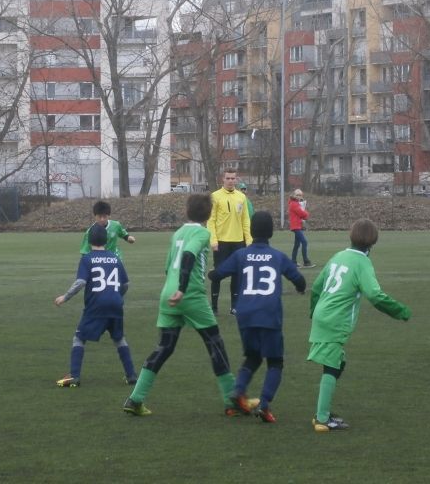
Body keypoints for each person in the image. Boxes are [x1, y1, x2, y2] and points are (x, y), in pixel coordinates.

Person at [123, 194, 239, 417]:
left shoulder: (177, 233)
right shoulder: (202, 233)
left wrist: (175, 289)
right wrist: (183, 289)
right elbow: (188, 255)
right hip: (190, 295)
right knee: (215, 345)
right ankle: (230, 400)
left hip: (168, 294)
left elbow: (168, 267)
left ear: (187, 212)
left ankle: (135, 399)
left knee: (164, 347)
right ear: (209, 215)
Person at [308, 218, 411, 432]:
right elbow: (375, 295)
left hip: (323, 314)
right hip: (335, 319)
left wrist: (314, 313)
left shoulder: (339, 256)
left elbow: (316, 287)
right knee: (332, 366)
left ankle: (323, 412)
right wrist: (400, 311)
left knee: (338, 362)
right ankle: (322, 418)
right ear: (373, 241)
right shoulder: (362, 262)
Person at [208, 211, 307, 423]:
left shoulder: (241, 255)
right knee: (275, 361)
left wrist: (210, 273)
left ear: (251, 231)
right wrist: (300, 287)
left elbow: (218, 274)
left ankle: (238, 390)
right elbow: (298, 279)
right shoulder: (278, 256)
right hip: (269, 314)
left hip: (245, 314)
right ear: (271, 232)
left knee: (252, 357)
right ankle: (264, 404)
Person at [55, 224, 137, 387]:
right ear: (106, 240)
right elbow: (126, 284)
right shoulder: (115, 258)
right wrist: (116, 296)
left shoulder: (87, 259)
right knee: (119, 338)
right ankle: (131, 375)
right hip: (116, 305)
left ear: (89, 240)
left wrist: (65, 297)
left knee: (79, 338)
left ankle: (74, 376)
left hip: (96, 306)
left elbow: (80, 282)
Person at [208, 170, 252, 314]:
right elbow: (211, 220)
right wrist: (213, 240)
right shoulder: (215, 196)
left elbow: (245, 220)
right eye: (228, 178)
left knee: (237, 274)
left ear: (236, 179)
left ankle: (234, 307)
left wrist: (249, 240)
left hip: (238, 242)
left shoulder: (241, 197)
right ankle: (214, 307)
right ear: (223, 179)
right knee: (218, 274)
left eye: (233, 178)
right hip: (221, 242)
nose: (231, 181)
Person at [289, 189, 315, 268]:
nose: (299, 196)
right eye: (297, 195)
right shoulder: (294, 204)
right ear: (294, 195)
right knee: (304, 242)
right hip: (296, 226)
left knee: (297, 245)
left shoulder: (295, 203)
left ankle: (293, 262)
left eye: (300, 195)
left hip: (297, 226)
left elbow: (301, 214)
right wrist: (306, 213)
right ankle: (306, 262)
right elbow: (302, 214)